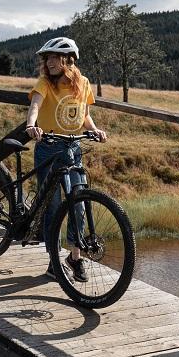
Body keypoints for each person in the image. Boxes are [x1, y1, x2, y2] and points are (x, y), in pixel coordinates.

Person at [24, 37, 107, 281]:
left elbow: (85, 116)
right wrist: (31, 125)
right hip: (48, 149)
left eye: (53, 58)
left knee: (78, 204)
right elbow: (35, 107)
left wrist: (95, 129)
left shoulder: (82, 83)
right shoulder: (44, 83)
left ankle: (74, 257)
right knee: (51, 207)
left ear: (67, 60)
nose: (48, 62)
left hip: (73, 148)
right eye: (46, 58)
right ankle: (53, 262)